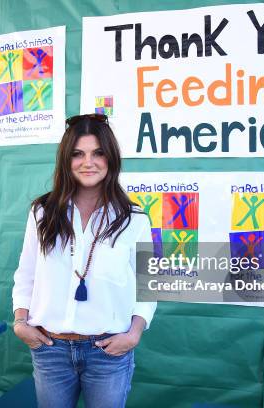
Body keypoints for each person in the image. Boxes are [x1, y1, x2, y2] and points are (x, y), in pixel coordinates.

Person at [12, 113, 157, 408]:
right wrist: (19, 322)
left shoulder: (135, 219)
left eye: (97, 153)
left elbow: (148, 284)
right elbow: (27, 272)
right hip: (50, 348)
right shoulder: (42, 212)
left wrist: (134, 334)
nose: (87, 162)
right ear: (66, 160)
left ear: (111, 158)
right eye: (78, 154)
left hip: (108, 352)